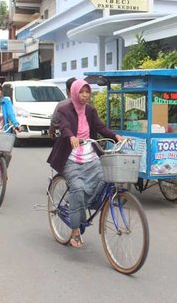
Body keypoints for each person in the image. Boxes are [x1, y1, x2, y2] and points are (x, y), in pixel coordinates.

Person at [48, 79, 124, 248]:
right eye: (81, 92)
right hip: (70, 157)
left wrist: (114, 136)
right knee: (78, 187)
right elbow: (65, 126)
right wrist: (71, 137)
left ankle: (82, 204)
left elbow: (100, 128)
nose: (84, 95)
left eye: (87, 92)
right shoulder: (64, 109)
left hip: (90, 154)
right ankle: (75, 231)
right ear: (75, 92)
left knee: (105, 177)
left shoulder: (90, 110)